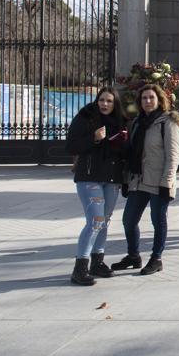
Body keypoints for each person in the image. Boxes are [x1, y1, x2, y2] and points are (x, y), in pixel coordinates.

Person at [112, 84, 179, 276]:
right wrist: (127, 180)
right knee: (128, 220)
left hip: (159, 181)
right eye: (144, 98)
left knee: (157, 220)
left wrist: (167, 182)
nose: (147, 101)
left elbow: (173, 156)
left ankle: (156, 258)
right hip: (138, 180)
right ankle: (133, 256)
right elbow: (132, 154)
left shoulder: (168, 123)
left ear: (159, 100)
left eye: (151, 97)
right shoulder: (137, 122)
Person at [66, 87, 128, 286]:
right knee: (95, 220)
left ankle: (97, 262)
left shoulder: (121, 122)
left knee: (105, 220)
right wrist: (94, 138)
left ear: (115, 103)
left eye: (109, 101)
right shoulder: (85, 117)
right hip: (89, 177)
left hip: (111, 178)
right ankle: (80, 267)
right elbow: (72, 146)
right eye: (102, 100)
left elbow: (127, 151)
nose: (105, 104)